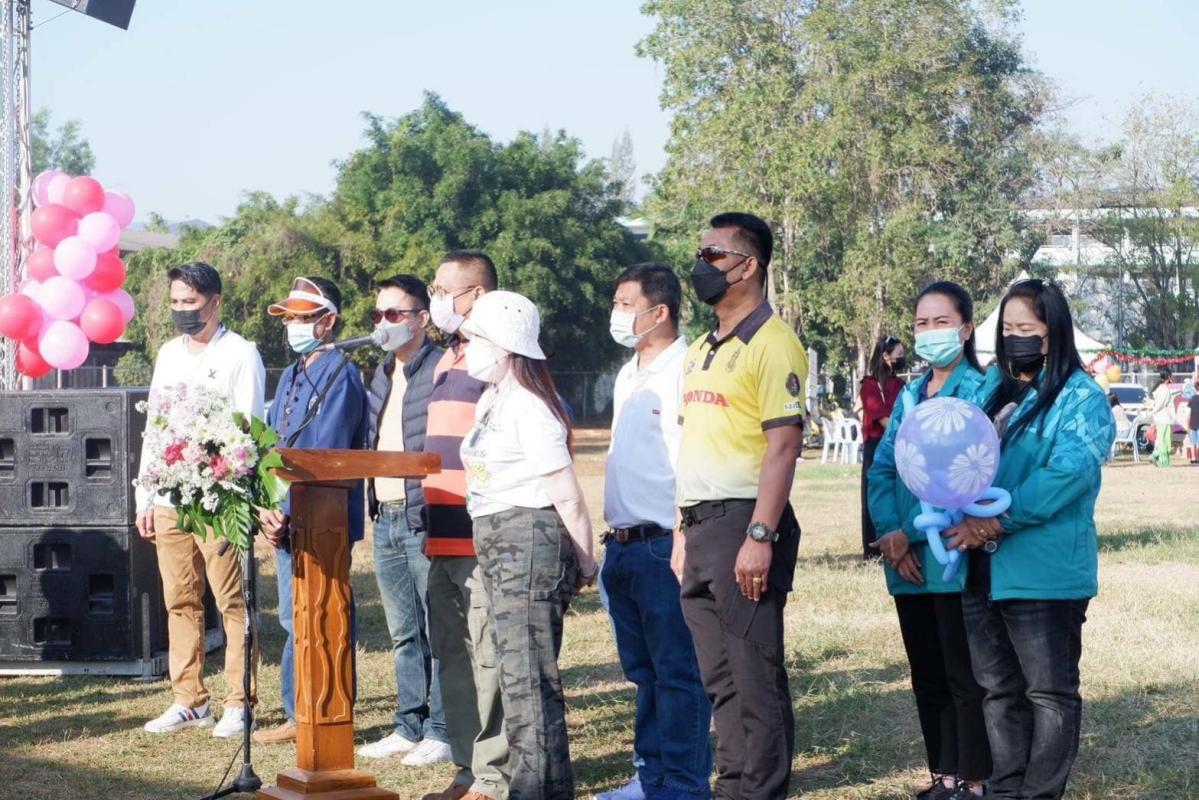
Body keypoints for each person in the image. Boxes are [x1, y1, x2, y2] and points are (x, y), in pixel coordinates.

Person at [944, 279, 1115, 800]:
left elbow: (1067, 475)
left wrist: (995, 521)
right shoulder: (989, 389)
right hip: (981, 567)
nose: (1013, 337)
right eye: (1008, 328)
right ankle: (1005, 789)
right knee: (997, 690)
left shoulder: (1082, 398)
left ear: (1053, 332)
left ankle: (1039, 794)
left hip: (1043, 572)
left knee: (1049, 694)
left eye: (1026, 328)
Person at [674, 212, 807, 800]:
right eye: (700, 254)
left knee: (755, 674)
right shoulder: (701, 348)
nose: (700, 265)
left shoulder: (773, 342)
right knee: (720, 678)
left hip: (744, 522)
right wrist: (681, 530)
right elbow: (692, 445)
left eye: (713, 255)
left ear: (748, 266)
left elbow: (784, 447)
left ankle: (763, 791)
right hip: (700, 525)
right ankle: (732, 786)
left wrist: (760, 535)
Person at [459, 290, 599, 800]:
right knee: (515, 679)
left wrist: (586, 561)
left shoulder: (529, 407)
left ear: (502, 346)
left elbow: (568, 495)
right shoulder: (493, 399)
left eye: (474, 338)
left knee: (529, 682)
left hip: (528, 541)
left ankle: (537, 791)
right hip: (497, 539)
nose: (466, 347)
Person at [868, 282, 991, 800]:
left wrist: (923, 531)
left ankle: (976, 778)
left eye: (942, 322)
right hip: (906, 559)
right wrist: (891, 533)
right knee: (926, 672)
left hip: (955, 557)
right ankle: (943, 773)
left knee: (966, 674)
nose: (930, 332)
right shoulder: (910, 396)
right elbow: (883, 468)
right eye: (922, 323)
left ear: (965, 329)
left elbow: (977, 474)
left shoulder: (982, 391)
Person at [135, 262, 265, 736]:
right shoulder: (169, 353)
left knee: (231, 600)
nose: (182, 310)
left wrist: (233, 488)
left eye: (190, 302)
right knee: (179, 599)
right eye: (175, 302)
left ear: (215, 302)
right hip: (170, 495)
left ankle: (240, 701)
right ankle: (189, 700)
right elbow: (155, 427)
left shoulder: (240, 353)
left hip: (218, 497)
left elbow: (249, 428)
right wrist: (145, 496)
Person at [598, 263, 712, 800]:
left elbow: (692, 459)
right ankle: (650, 776)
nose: (616, 314)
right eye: (616, 304)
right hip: (621, 544)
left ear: (659, 311)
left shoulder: (686, 370)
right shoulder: (628, 373)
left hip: (664, 543)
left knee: (677, 671)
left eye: (626, 305)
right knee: (643, 672)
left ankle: (684, 784)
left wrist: (684, 535)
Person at [254, 277, 368, 744]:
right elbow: (273, 447)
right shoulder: (292, 372)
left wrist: (289, 506)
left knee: (326, 616)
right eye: (289, 318)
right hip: (286, 514)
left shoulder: (342, 373)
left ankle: (325, 710)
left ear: (329, 320)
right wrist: (268, 505)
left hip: (323, 516)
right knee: (293, 617)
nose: (293, 326)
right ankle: (298, 711)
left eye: (303, 317)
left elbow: (327, 453)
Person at [420, 251, 509, 800]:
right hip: (439, 533)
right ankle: (467, 768)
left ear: (475, 294)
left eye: (442, 289)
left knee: (489, 657)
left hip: (479, 534)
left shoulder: (500, 355)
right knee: (452, 655)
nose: (434, 298)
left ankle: (495, 777)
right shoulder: (447, 357)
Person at [357, 275, 453, 765]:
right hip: (387, 517)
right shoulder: (380, 373)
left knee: (439, 629)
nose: (384, 323)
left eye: (394, 314)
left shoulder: (441, 367)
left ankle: (443, 730)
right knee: (403, 632)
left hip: (424, 517)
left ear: (421, 319)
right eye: (378, 315)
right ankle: (408, 725)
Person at [860, 335, 907, 560]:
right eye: (899, 354)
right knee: (874, 495)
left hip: (901, 444)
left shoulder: (902, 386)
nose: (902, 358)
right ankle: (873, 549)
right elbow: (881, 418)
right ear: (885, 356)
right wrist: (905, 431)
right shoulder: (869, 385)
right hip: (877, 445)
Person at [1149, 367, 1174, 467]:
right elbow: (1160, 404)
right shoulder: (1165, 390)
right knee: (1165, 440)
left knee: (1162, 439)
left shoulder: (1159, 388)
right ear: (1168, 376)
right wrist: (1154, 411)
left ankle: (1156, 456)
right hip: (1164, 418)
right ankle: (1162, 461)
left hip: (1159, 418)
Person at [1188, 379, 1199, 464]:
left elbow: (1189, 413)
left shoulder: (1192, 398)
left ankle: (1193, 458)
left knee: (1192, 442)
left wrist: (1188, 423)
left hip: (1192, 423)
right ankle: (1198, 458)